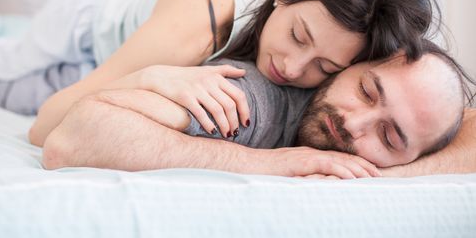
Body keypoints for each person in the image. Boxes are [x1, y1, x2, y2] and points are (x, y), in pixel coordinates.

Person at [0, 0, 436, 144]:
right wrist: (155, 76)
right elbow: (44, 129)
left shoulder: (337, 41)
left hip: (142, 19)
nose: (291, 67)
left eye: (325, 66)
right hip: (91, 17)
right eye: (297, 36)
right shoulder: (200, 22)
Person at [39, 42, 475, 179]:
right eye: (365, 90)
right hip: (86, 45)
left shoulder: (425, 117)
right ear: (353, 63)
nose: (352, 123)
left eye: (390, 137)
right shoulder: (256, 104)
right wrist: (269, 162)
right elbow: (71, 137)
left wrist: (386, 177)